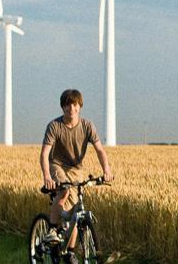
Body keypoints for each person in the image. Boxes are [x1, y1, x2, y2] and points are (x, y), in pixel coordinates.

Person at [40, 89, 114, 256]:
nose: (71, 108)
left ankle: (70, 252)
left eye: (74, 104)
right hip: (57, 165)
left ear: (80, 106)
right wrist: (47, 177)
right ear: (62, 107)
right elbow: (45, 154)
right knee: (64, 191)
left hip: (77, 169)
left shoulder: (87, 126)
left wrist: (106, 170)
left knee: (76, 212)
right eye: (67, 105)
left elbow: (100, 150)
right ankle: (52, 229)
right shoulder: (54, 126)